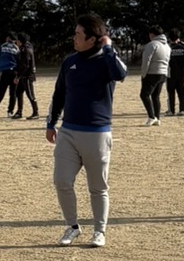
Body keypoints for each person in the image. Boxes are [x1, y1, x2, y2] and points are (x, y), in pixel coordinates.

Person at [45, 14, 127, 248]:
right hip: (68, 132)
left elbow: (120, 74)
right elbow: (59, 94)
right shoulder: (69, 62)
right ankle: (72, 226)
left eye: (78, 34)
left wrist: (108, 47)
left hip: (97, 133)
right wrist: (51, 124)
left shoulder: (108, 60)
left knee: (97, 187)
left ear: (92, 39)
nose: (74, 38)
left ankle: (99, 231)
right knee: (62, 181)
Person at [138, 29, 169, 124]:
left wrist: (143, 74)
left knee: (144, 95)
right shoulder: (167, 46)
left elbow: (146, 60)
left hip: (152, 73)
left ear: (152, 34)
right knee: (155, 96)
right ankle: (157, 118)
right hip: (163, 73)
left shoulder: (152, 45)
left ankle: (151, 116)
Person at [11, 34, 39, 119]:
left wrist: (18, 76)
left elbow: (25, 65)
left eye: (17, 40)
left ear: (20, 41)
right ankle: (19, 112)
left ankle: (35, 112)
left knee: (30, 94)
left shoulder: (25, 50)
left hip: (27, 76)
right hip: (23, 75)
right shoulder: (24, 48)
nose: (16, 42)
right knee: (18, 92)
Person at [166, 34, 184, 116]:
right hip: (181, 73)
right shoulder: (183, 47)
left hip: (171, 73)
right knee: (181, 92)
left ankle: (171, 110)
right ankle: (182, 110)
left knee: (171, 93)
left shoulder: (168, 48)